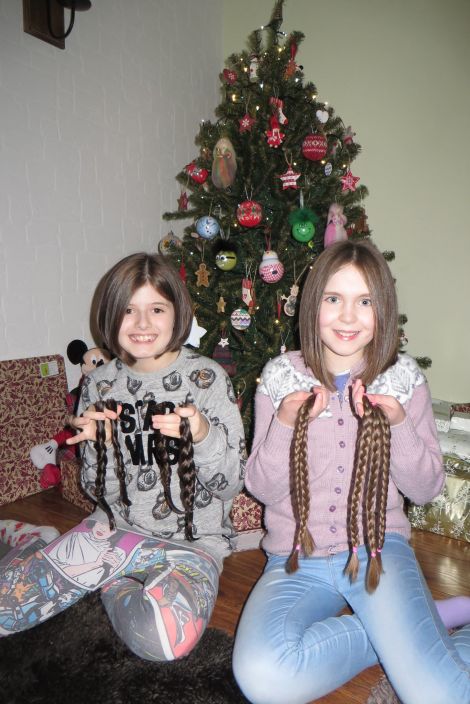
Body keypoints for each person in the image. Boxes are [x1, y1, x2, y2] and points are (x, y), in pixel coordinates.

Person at [233, 239, 470, 704]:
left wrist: (399, 424)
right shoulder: (281, 375)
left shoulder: (402, 379)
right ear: (311, 303)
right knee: (263, 677)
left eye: (364, 301)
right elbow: (261, 486)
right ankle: (408, 629)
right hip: (295, 559)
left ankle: (416, 633)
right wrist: (284, 421)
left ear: (383, 310)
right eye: (333, 299)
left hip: (379, 551)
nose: (347, 316)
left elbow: (425, 490)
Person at [0, 252, 245, 662]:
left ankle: (98, 572)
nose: (143, 324)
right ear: (111, 316)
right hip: (113, 533)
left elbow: (230, 485)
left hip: (193, 546)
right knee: (8, 608)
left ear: (176, 313)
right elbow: (97, 491)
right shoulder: (99, 384)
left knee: (163, 641)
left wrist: (202, 435)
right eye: (129, 310)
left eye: (156, 309)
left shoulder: (207, 380)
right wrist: (96, 445)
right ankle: (36, 541)